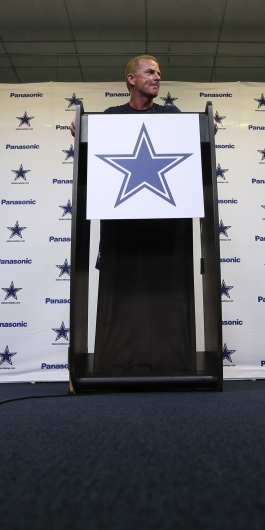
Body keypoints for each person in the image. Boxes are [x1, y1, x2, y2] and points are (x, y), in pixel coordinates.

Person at [84, 55, 195, 375]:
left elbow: (192, 145)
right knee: (125, 300)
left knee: (165, 299)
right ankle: (116, 364)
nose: (157, 77)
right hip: (122, 232)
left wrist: (208, 127)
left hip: (166, 233)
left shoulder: (171, 115)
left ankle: (172, 364)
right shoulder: (111, 117)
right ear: (131, 79)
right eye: (150, 72)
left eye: (159, 73)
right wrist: (79, 127)